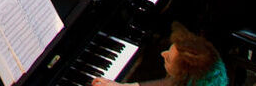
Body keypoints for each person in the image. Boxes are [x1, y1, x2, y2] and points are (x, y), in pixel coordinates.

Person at [91, 22, 227, 86]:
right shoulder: (209, 67)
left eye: (168, 59)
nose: (163, 54)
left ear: (183, 76)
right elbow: (170, 83)